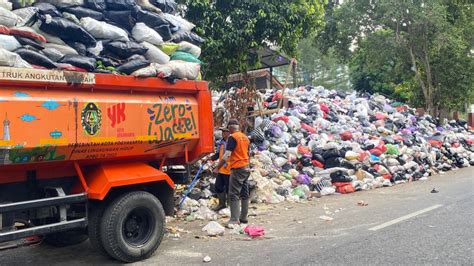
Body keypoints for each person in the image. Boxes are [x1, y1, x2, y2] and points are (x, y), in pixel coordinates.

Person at [214, 119, 250, 226]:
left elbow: (227, 155)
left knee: (233, 194)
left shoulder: (232, 137)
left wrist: (217, 167)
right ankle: (243, 217)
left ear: (230, 128)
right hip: (246, 166)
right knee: (244, 193)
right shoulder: (245, 137)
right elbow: (248, 153)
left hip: (237, 168)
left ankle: (234, 219)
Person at [210, 127, 231, 211]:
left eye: (224, 132)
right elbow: (218, 154)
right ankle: (222, 204)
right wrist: (210, 158)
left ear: (228, 132)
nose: (222, 133)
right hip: (222, 169)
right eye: (222, 132)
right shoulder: (221, 142)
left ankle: (230, 206)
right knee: (218, 186)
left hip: (230, 169)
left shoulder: (231, 142)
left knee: (229, 189)